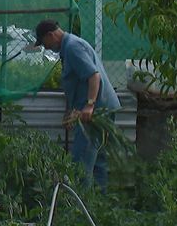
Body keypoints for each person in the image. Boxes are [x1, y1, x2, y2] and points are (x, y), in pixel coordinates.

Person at [34, 19, 121, 192]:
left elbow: (93, 76)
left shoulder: (73, 47)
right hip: (102, 107)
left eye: (44, 43)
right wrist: (71, 112)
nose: (46, 48)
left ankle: (78, 210)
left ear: (50, 35)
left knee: (81, 162)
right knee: (97, 161)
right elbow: (76, 83)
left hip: (96, 111)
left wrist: (89, 105)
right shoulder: (70, 47)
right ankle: (99, 207)